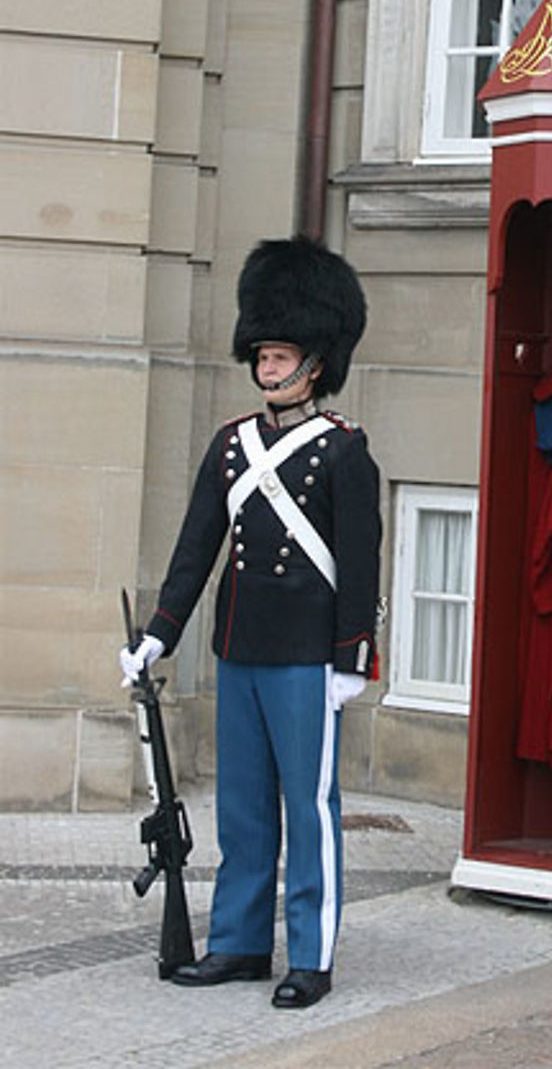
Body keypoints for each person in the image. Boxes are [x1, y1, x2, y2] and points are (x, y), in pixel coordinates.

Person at [119, 236, 381, 1009]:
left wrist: (350, 660)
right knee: (240, 804)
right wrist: (158, 633)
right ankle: (237, 940)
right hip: (240, 647)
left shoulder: (342, 454)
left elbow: (360, 563)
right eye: (262, 356)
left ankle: (312, 952)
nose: (268, 369)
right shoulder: (231, 445)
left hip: (306, 657)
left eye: (281, 356)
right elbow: (196, 546)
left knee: (308, 806)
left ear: (315, 363)